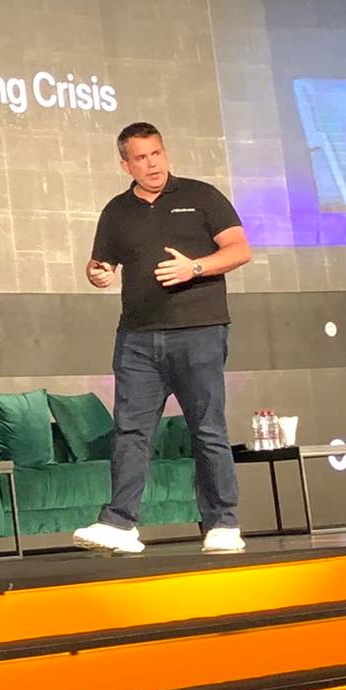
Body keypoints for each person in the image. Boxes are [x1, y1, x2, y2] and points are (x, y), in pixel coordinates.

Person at [76, 122, 254, 557]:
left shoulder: (201, 196)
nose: (152, 164)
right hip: (137, 339)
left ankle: (222, 523)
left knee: (207, 429)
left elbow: (239, 249)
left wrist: (194, 267)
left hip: (199, 332)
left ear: (165, 153)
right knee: (130, 431)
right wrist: (98, 273)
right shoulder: (117, 211)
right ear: (126, 165)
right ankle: (120, 523)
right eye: (141, 157)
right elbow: (100, 264)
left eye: (156, 153)